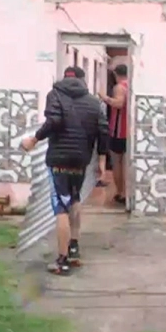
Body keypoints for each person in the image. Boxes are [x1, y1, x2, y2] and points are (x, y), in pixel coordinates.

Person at [21, 66, 108, 275]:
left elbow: (54, 121)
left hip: (59, 159)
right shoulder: (93, 102)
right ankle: (74, 248)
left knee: (60, 206)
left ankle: (62, 260)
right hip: (81, 160)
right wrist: (102, 162)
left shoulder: (56, 95)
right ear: (82, 80)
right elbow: (103, 131)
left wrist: (34, 139)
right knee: (75, 200)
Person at [98, 64, 128, 208]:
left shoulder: (119, 87)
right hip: (127, 131)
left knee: (117, 163)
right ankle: (125, 192)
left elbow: (119, 103)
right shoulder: (130, 86)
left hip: (118, 131)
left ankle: (121, 192)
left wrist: (105, 98)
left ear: (116, 74)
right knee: (125, 164)